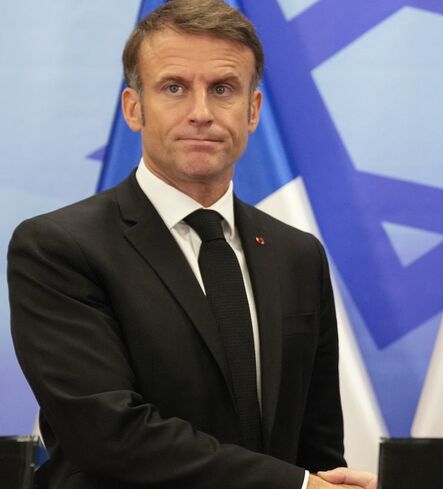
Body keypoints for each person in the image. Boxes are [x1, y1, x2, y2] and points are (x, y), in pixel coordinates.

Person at [8, 1, 373, 487]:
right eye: (174, 88)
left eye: (222, 89)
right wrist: (298, 487)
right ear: (134, 109)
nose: (200, 113)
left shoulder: (297, 255)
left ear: (252, 111)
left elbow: (317, 442)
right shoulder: (58, 248)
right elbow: (107, 434)